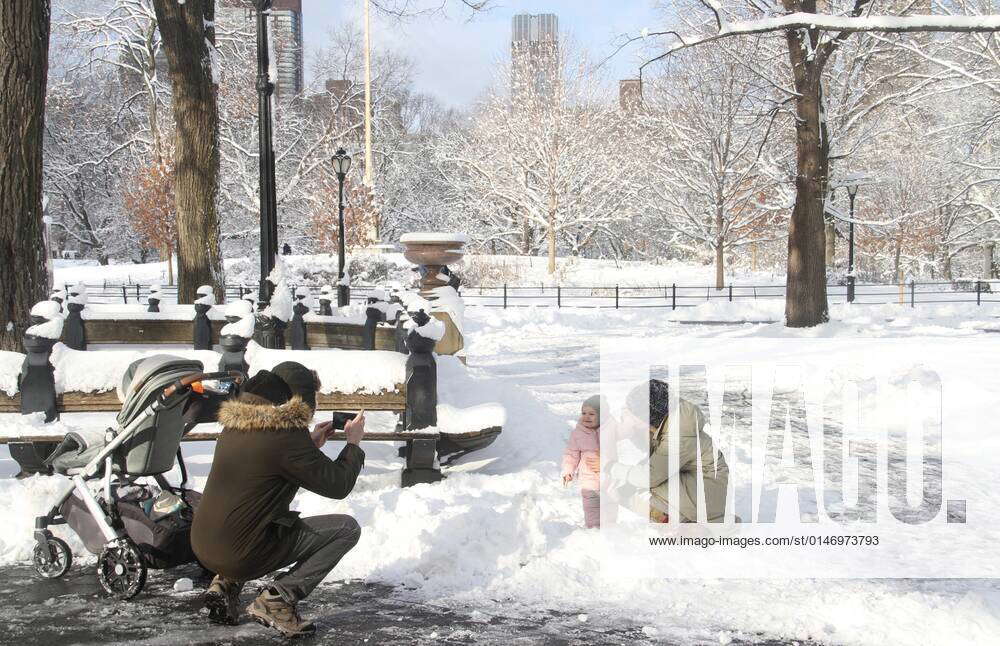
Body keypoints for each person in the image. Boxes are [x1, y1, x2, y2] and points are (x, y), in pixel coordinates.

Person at [191, 365, 366, 637]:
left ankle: (225, 584)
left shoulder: (237, 424)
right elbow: (338, 484)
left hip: (203, 547)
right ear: (300, 398)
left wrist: (309, 444)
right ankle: (278, 599)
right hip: (239, 554)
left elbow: (268, 464)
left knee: (250, 514)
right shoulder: (285, 436)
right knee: (346, 529)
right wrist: (353, 444)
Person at [605, 379, 728, 523]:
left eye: (630, 412)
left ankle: (689, 524)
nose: (625, 413)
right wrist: (630, 430)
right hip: (697, 483)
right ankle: (679, 520)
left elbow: (650, 476)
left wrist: (610, 466)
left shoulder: (678, 434)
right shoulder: (666, 420)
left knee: (641, 487)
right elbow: (656, 457)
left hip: (708, 491)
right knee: (629, 486)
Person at [561, 395, 602, 529]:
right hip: (588, 480)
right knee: (592, 509)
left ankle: (611, 529)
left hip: (609, 479)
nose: (586, 417)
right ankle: (594, 530)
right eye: (584, 413)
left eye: (591, 414)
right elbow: (571, 454)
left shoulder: (608, 431)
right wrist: (568, 471)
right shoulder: (577, 434)